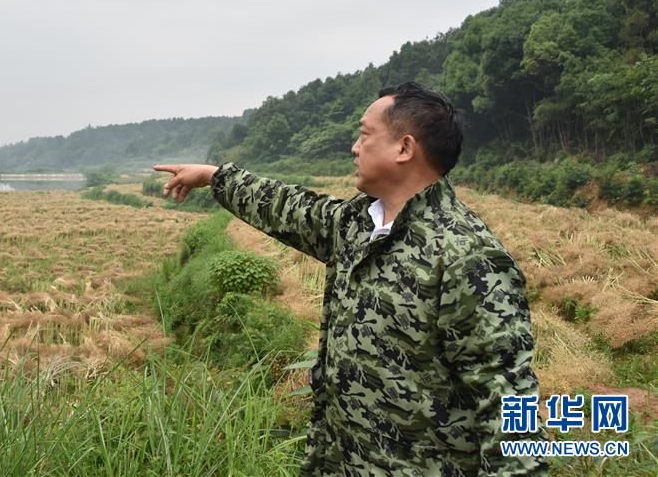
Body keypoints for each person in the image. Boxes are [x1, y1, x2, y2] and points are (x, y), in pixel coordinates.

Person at [154, 82, 549, 476]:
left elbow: (509, 402)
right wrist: (214, 176)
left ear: (404, 148)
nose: (354, 148)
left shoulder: (466, 256)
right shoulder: (357, 223)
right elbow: (289, 208)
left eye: (364, 135)